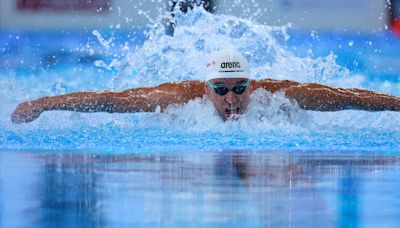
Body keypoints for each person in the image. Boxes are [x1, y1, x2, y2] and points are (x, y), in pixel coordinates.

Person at [11, 50, 400, 124]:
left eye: (239, 88)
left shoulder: (276, 94)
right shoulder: (179, 99)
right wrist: (44, 103)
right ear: (206, 88)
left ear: (253, 85)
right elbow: (110, 101)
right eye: (220, 90)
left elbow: (348, 99)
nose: (231, 99)